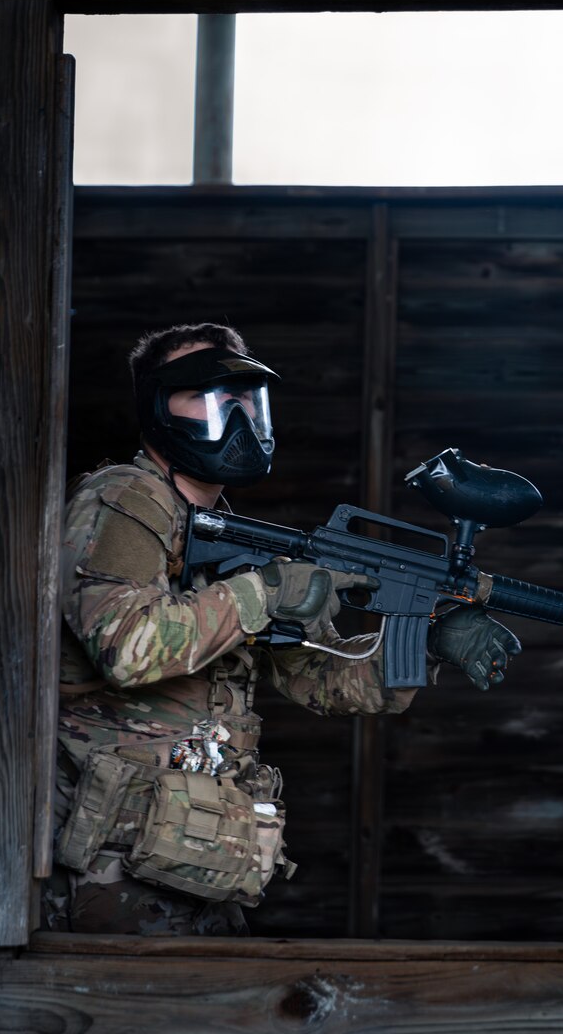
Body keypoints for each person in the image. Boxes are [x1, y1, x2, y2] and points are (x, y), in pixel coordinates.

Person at [45, 322, 521, 936]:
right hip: (105, 864)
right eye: (210, 397)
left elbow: (320, 679)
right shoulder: (126, 501)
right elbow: (125, 647)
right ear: (158, 409)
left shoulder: (227, 535)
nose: (237, 415)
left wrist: (428, 641)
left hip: (196, 854)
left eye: (247, 398)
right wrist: (266, 592)